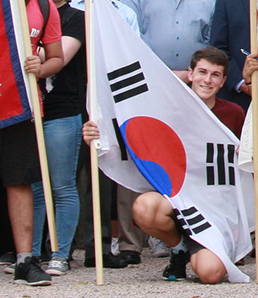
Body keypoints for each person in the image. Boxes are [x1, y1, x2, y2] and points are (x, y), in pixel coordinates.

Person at [86, 47, 244, 283]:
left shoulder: (234, 113)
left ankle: (201, 251)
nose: (207, 80)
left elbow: (249, 165)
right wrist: (98, 135)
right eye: (202, 72)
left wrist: (245, 151)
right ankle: (179, 248)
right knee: (144, 208)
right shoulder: (168, 111)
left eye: (215, 75)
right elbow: (130, 135)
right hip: (177, 198)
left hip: (216, 208)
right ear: (190, 74)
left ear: (223, 81)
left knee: (211, 274)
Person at [2, 0, 59, 285]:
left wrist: (41, 67)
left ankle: (26, 259)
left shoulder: (43, 4)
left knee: (19, 180)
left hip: (22, 105)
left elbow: (55, 57)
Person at [27, 0, 85, 277]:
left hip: (62, 108)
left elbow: (58, 56)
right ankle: (30, 253)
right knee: (33, 185)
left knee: (62, 184)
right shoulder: (26, 12)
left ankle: (60, 253)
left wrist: (34, 57)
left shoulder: (76, 18)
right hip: (31, 110)